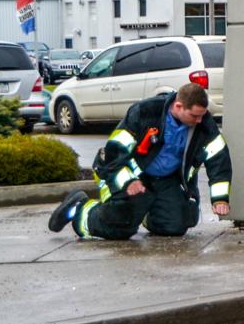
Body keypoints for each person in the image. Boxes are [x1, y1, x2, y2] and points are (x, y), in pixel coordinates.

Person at [48, 83, 232, 240]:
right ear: (178, 106)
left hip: (165, 180)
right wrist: (128, 181)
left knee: (175, 226)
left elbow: (219, 160)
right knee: (121, 227)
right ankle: (81, 210)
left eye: (202, 115)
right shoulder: (145, 113)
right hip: (129, 174)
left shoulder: (204, 125)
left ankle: (147, 212)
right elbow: (115, 153)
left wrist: (220, 199)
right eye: (194, 116)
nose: (200, 121)